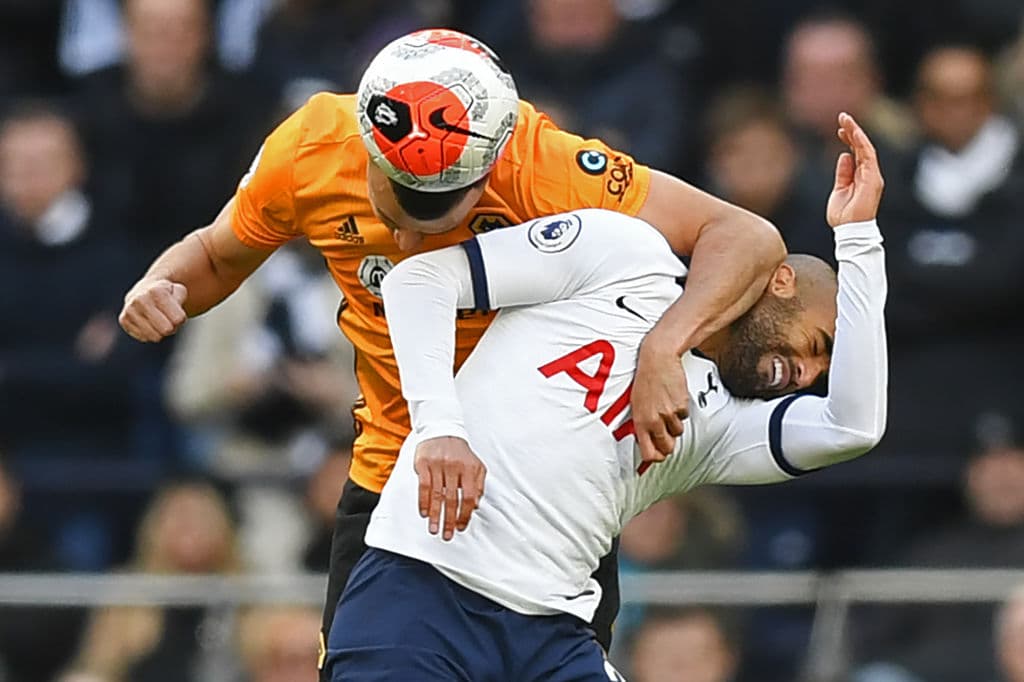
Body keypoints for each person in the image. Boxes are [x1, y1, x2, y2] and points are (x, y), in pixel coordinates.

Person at [116, 27, 786, 658]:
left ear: (491, 159)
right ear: (368, 145)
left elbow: (744, 236)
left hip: (541, 493)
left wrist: (666, 347)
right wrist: (163, 284)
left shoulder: (544, 165)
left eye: (440, 210)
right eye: (399, 199)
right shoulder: (310, 147)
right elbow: (216, 253)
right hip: (392, 477)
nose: (410, 235)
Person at [325, 112, 886, 680]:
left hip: (552, 633)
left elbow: (853, 427)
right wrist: (440, 427)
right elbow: (418, 281)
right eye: (818, 344)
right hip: (424, 585)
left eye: (821, 369)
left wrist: (859, 239)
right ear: (782, 282)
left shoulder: (723, 424)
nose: (806, 373)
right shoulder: (624, 254)